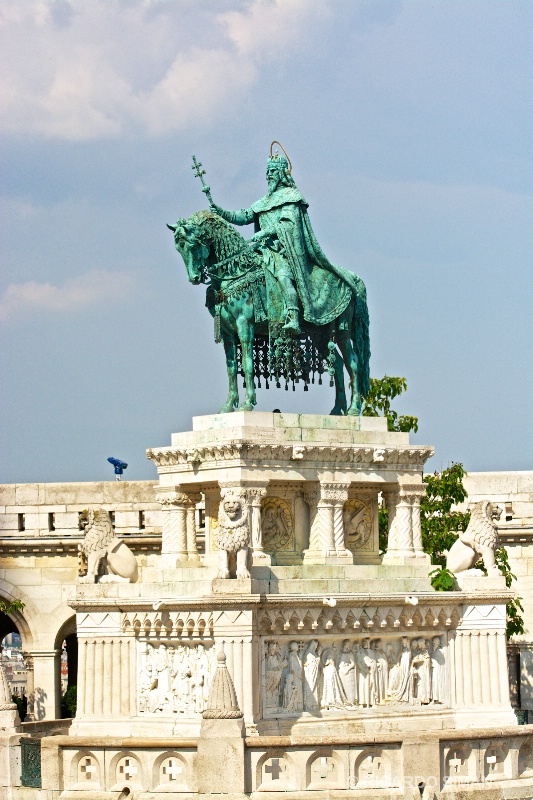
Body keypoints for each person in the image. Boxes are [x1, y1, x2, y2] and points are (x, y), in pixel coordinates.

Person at [210, 151, 362, 336]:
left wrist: (266, 231)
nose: (268, 176)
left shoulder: (291, 196)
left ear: (282, 173)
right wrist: (221, 212)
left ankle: (292, 316)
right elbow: (243, 216)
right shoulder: (264, 201)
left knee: (283, 275)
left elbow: (288, 224)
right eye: (267, 172)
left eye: (272, 171)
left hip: (284, 252)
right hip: (263, 252)